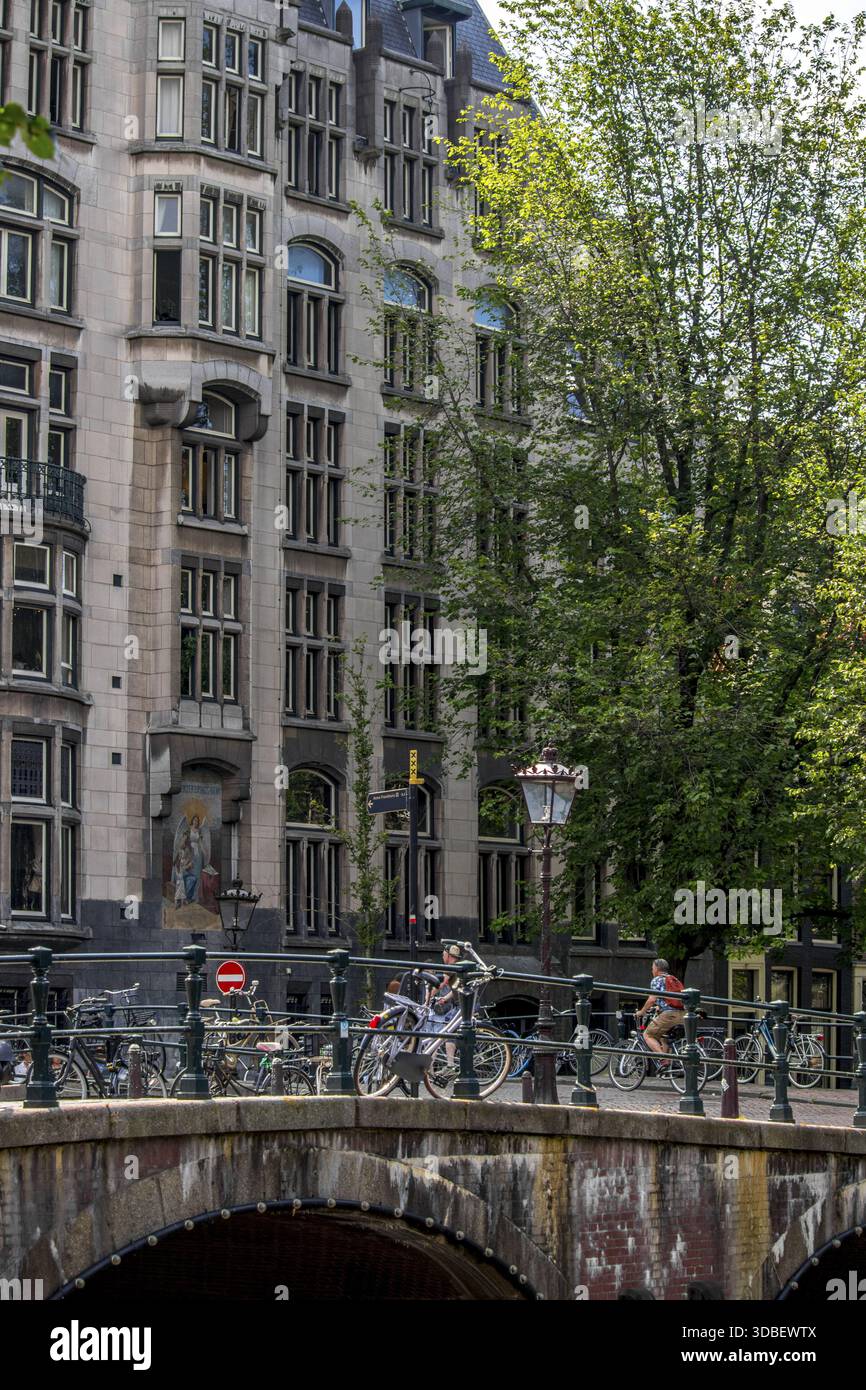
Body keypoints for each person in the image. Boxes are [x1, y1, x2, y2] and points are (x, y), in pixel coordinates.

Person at [634, 958, 685, 1058]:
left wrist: (642, 1012)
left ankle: (662, 1059)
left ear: (657, 969)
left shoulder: (657, 980)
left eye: (652, 968)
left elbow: (652, 999)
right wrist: (659, 1006)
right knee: (664, 1038)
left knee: (647, 1035)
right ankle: (666, 1069)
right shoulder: (673, 979)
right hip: (683, 1015)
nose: (652, 971)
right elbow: (669, 998)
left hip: (669, 1015)